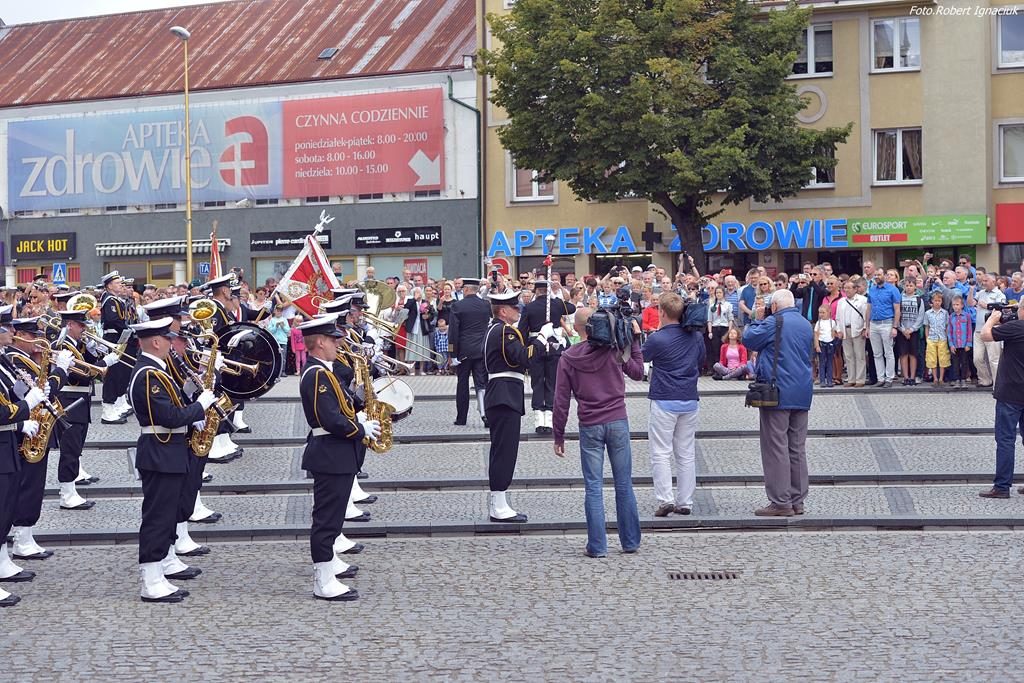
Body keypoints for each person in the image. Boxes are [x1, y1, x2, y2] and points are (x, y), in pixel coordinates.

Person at [128, 317, 215, 603]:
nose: (172, 343)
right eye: (168, 338)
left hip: (168, 451)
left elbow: (170, 408)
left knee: (167, 516)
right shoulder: (149, 374)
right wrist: (199, 407)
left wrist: (189, 397)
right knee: (157, 518)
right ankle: (150, 581)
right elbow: (167, 417)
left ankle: (161, 570)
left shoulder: (157, 371)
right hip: (160, 452)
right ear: (156, 342)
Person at [297, 313, 380, 600]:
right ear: (320, 342)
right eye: (333, 340)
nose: (338, 344)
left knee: (332, 518)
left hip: (337, 453)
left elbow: (341, 407)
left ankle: (329, 566)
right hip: (330, 453)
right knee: (326, 520)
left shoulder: (324, 371)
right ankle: (323, 580)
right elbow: (330, 419)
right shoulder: (317, 374)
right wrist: (359, 428)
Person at [552, 308, 643, 557]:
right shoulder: (613, 349)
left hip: (590, 424)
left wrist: (558, 434)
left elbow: (561, 400)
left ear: (577, 328)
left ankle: (597, 546)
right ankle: (630, 542)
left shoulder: (568, 358)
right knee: (623, 483)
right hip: (617, 420)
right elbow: (638, 372)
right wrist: (634, 340)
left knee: (593, 486)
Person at [7, 318, 73, 561]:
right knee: (28, 486)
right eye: (33, 335)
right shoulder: (15, 359)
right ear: (22, 336)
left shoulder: (22, 358)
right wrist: (61, 371)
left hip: (34, 428)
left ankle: (26, 535)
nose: (38, 340)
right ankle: (21, 538)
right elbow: (42, 391)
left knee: (33, 486)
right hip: (24, 431)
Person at [743, 289, 814, 516]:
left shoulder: (774, 322)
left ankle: (781, 502)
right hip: (802, 391)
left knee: (776, 447)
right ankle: (797, 500)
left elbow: (749, 339)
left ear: (774, 306)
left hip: (778, 391)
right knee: (797, 447)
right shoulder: (805, 324)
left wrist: (757, 319)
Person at [0, 305, 49, 607]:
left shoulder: (4, 360)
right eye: (6, 328)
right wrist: (26, 408)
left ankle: (3, 561)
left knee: (5, 509)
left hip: (7, 441)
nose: (11, 333)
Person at [642, 292, 705, 516]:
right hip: (689, 398)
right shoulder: (696, 337)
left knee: (660, 452)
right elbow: (701, 361)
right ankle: (685, 501)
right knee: (686, 453)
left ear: (661, 312)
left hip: (664, 398)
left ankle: (665, 499)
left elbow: (642, 358)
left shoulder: (657, 338)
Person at [483, 289, 533, 522]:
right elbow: (521, 357)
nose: (518, 310)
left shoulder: (495, 329)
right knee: (505, 452)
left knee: (502, 450)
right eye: (514, 307)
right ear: (503, 311)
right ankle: (499, 507)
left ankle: (499, 503)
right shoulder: (504, 331)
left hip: (501, 394)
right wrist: (541, 340)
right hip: (505, 395)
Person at [977, 299, 1024, 498]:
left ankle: (1002, 487)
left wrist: (993, 319)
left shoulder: (1016, 327)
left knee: (1005, 440)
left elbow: (985, 335)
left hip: (1010, 393)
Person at [518, 280, 576, 433]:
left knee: (537, 382)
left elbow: (522, 330)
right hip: (554, 348)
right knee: (552, 382)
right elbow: (571, 308)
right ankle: (549, 419)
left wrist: (525, 349)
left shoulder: (529, 307)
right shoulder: (557, 304)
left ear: (536, 291)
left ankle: (539, 419)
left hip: (535, 347)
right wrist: (558, 294)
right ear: (549, 290)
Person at [448, 278, 491, 427]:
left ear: (466, 289)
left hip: (463, 351)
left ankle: (461, 418)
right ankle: (485, 414)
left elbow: (453, 332)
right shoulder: (485, 305)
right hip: (481, 349)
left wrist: (452, 354)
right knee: (482, 383)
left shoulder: (457, 306)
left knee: (462, 384)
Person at [99, 271, 136, 424]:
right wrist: (129, 330)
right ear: (109, 286)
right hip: (113, 338)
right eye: (117, 283)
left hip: (119, 337)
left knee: (121, 373)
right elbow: (113, 320)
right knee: (113, 374)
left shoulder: (116, 299)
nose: (121, 285)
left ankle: (117, 403)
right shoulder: (109, 300)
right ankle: (107, 408)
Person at [968, 274, 1007, 388]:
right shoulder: (980, 293)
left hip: (992, 331)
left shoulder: (999, 294)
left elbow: (1000, 309)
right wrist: (971, 290)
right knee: (977, 358)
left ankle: (997, 384)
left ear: (993, 281)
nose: (983, 283)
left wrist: (985, 305)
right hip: (978, 330)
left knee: (994, 359)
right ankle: (985, 380)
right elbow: (970, 303)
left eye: (986, 281)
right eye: (983, 281)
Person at [866, 268, 902, 387]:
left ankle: (889, 378)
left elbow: (897, 309)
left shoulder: (892, 289)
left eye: (879, 274)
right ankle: (880, 378)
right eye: (875, 275)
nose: (877, 277)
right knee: (877, 353)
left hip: (887, 322)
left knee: (888, 352)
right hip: (874, 323)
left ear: (885, 276)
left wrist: (895, 327)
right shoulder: (872, 289)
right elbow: (869, 308)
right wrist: (867, 326)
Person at [835, 279, 870, 388]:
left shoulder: (863, 300)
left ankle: (860, 379)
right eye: (845, 288)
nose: (847, 290)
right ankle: (851, 378)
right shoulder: (841, 301)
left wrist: (865, 328)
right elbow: (838, 318)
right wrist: (838, 330)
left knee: (859, 355)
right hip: (845, 330)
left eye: (849, 288)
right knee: (848, 356)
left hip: (858, 329)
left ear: (855, 289)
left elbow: (866, 316)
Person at [896, 277, 926, 385]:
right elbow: (897, 314)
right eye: (907, 286)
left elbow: (920, 316)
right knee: (903, 354)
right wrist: (903, 329)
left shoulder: (919, 300)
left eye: (911, 286)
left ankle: (912, 377)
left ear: (915, 287)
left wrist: (912, 329)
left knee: (913, 354)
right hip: (902, 331)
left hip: (914, 331)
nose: (908, 288)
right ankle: (906, 377)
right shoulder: (899, 298)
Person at [924, 292, 951, 387]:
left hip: (942, 338)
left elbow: (947, 326)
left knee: (943, 358)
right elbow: (926, 326)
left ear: (941, 301)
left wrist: (947, 337)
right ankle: (935, 378)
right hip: (931, 338)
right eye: (935, 300)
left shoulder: (945, 313)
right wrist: (927, 338)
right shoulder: (928, 313)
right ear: (932, 301)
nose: (937, 302)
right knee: (932, 358)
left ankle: (941, 378)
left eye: (939, 300)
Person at [947, 296, 974, 389]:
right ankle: (957, 380)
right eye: (954, 305)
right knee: (955, 363)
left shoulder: (967, 316)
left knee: (964, 362)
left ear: (962, 305)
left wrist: (968, 344)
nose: (955, 306)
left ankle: (963, 379)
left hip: (964, 344)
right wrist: (951, 344)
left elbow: (969, 330)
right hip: (955, 344)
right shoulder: (951, 317)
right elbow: (949, 331)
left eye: (957, 304)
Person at [813, 304, 837, 388]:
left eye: (823, 312)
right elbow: (816, 334)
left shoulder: (832, 322)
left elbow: (835, 332)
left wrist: (835, 337)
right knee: (822, 363)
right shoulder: (818, 323)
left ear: (829, 312)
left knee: (830, 362)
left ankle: (829, 380)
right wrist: (817, 346)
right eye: (820, 313)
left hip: (830, 344)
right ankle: (822, 380)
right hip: (821, 344)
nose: (821, 314)